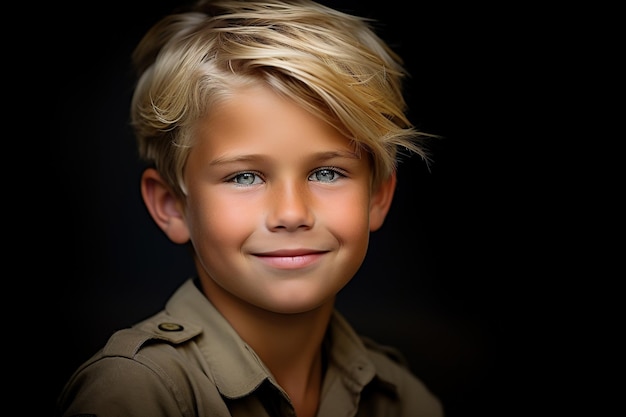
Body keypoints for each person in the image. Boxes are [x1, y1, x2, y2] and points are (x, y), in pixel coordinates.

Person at [56, 0, 444, 416]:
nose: (292, 213)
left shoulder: (403, 399)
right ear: (172, 206)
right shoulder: (138, 393)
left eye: (327, 173)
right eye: (245, 177)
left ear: (378, 196)